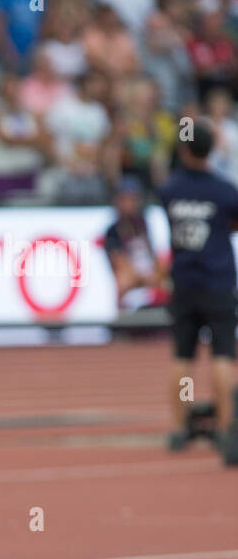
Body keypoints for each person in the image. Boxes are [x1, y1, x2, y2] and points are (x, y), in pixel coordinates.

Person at [156, 121, 238, 457]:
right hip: (217, 281)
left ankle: (178, 428)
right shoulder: (224, 190)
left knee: (182, 357)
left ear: (184, 150)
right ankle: (225, 428)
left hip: (185, 282)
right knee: (222, 356)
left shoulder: (170, 189)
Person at [103, 176, 167, 311]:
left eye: (132, 199)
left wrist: (157, 275)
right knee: (123, 280)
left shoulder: (146, 224)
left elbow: (159, 256)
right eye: (124, 199)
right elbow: (120, 263)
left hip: (150, 278)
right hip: (133, 281)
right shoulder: (113, 230)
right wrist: (147, 278)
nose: (128, 204)